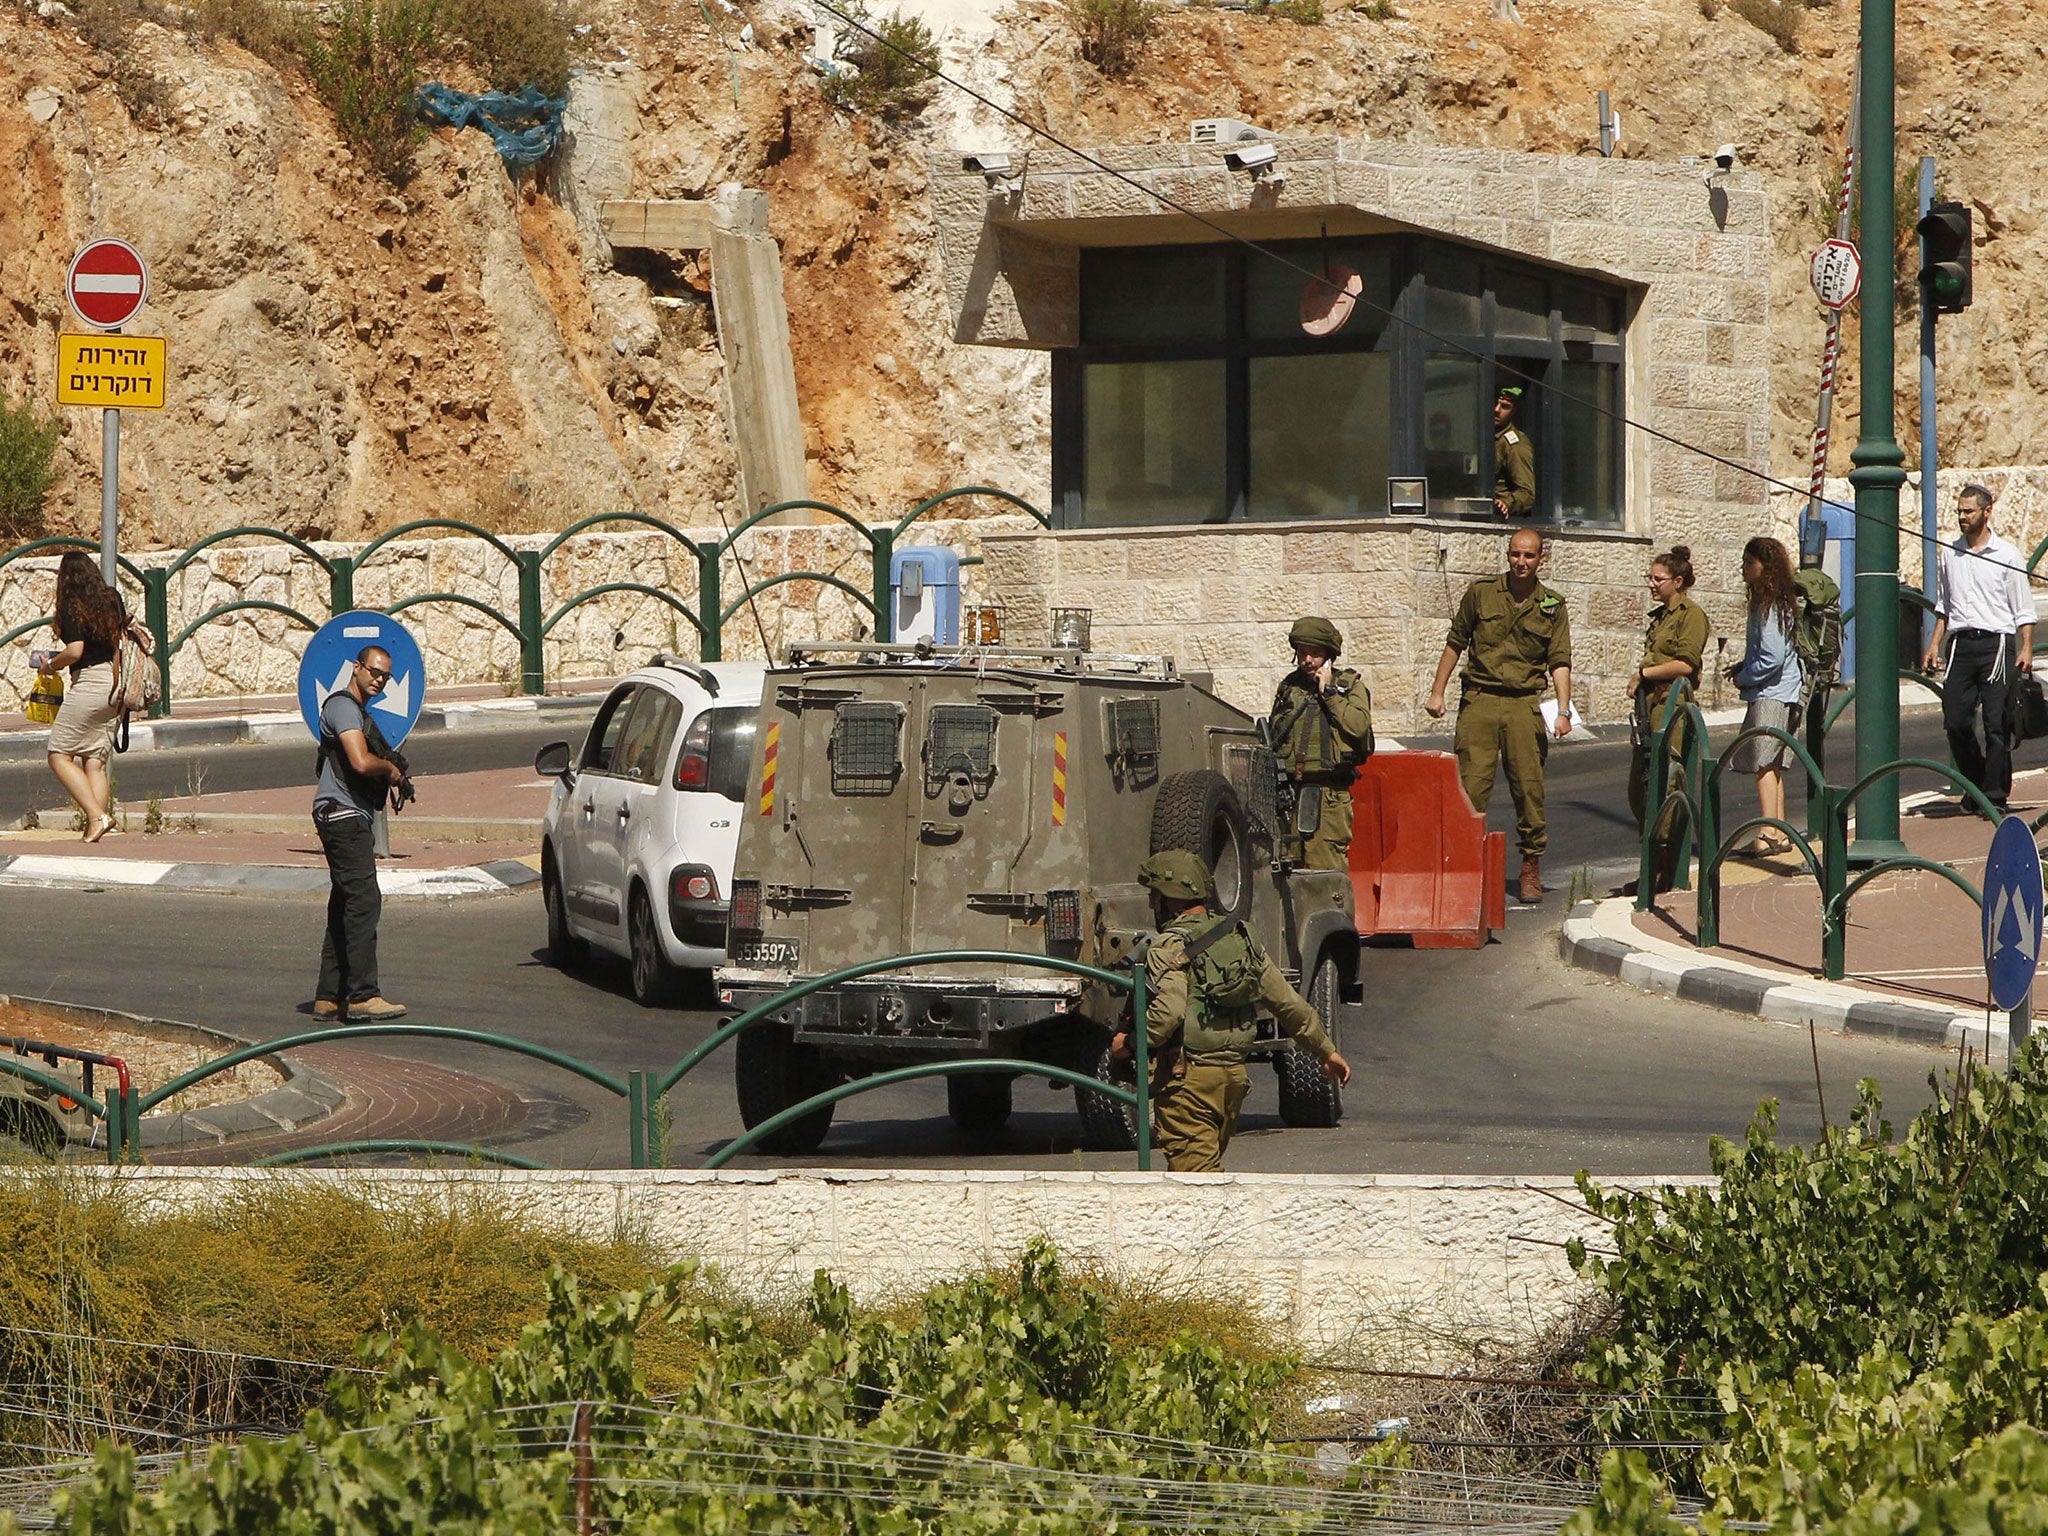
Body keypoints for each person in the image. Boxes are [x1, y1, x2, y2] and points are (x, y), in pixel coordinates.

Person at [1110, 851, 1351, 1173]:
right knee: (1204, 1176)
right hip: (1232, 1080)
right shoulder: (1240, 939)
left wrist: (1130, 1044)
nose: (1153, 905)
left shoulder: (1168, 947)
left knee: (1198, 1184)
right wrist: (1326, 1050)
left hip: (1187, 1082)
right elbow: (1288, 1003)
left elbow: (1168, 1014)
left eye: (1156, 896)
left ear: (1172, 898)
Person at [1425, 526, 1573, 903]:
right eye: (1515, 555)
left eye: (1529, 556)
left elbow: (1559, 661)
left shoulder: (1552, 605)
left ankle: (1530, 867)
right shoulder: (1481, 593)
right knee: (1471, 789)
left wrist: (1563, 711)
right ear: (1508, 555)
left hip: (1523, 702)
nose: (1521, 562)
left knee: (1529, 789)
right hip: (1481, 700)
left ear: (1542, 559)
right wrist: (1437, 691)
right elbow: (1455, 642)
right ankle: (1465, 868)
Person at [1921, 483, 2036, 816]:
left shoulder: (2007, 554)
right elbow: (1945, 605)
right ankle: (1977, 783)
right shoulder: (1950, 553)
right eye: (1959, 511)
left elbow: (2023, 609)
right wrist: (1933, 643)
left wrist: (2026, 647)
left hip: (1997, 643)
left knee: (1996, 722)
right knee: (1955, 720)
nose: (1962, 517)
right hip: (1961, 643)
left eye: (1968, 511)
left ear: (1987, 512)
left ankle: (1994, 795)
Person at [312, 646, 409, 1021]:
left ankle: (328, 996)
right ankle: (362, 995)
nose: (378, 679)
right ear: (356, 668)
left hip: (346, 816)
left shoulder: (355, 711)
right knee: (365, 901)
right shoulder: (342, 707)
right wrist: (389, 769)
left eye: (385, 676)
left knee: (345, 903)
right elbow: (360, 760)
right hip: (343, 817)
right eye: (373, 671)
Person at [1268, 616, 1374, 871]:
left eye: (1314, 654)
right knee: (1290, 871)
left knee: (1326, 873)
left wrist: (1328, 693)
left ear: (1328, 655)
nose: (1307, 660)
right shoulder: (1289, 688)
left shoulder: (1349, 687)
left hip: (1329, 796)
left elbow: (1358, 725)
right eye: (1302, 653)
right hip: (1290, 795)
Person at [36, 552, 127, 843]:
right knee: (94, 762)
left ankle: (96, 816)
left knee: (59, 755)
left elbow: (75, 650)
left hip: (89, 683)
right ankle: (96, 827)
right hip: (116, 684)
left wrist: (50, 665)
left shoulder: (72, 605)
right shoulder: (111, 599)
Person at [1728, 536, 1805, 855]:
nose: (1744, 568)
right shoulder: (1777, 601)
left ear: (1765, 567)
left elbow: (1772, 657)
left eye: (1749, 563)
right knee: (1772, 765)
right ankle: (1780, 832)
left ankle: (1768, 833)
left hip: (1773, 693)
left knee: (1763, 764)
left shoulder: (1770, 604)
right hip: (1783, 690)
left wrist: (1746, 676)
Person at [1627, 545, 1711, 833]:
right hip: (1651, 704)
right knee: (1641, 787)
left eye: (1657, 579)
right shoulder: (1662, 616)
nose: (1651, 584)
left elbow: (1686, 664)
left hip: (1671, 703)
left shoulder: (1691, 615)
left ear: (1677, 581)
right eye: (1649, 578)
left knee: (1666, 782)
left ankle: (1667, 863)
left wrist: (1643, 673)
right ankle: (1651, 859)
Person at [1492, 386, 1536, 519]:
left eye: (1505, 407)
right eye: (1495, 404)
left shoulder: (1515, 445)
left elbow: (1526, 494)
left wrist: (1506, 503)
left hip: (1500, 518)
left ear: (1513, 412)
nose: (1496, 410)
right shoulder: (1485, 435)